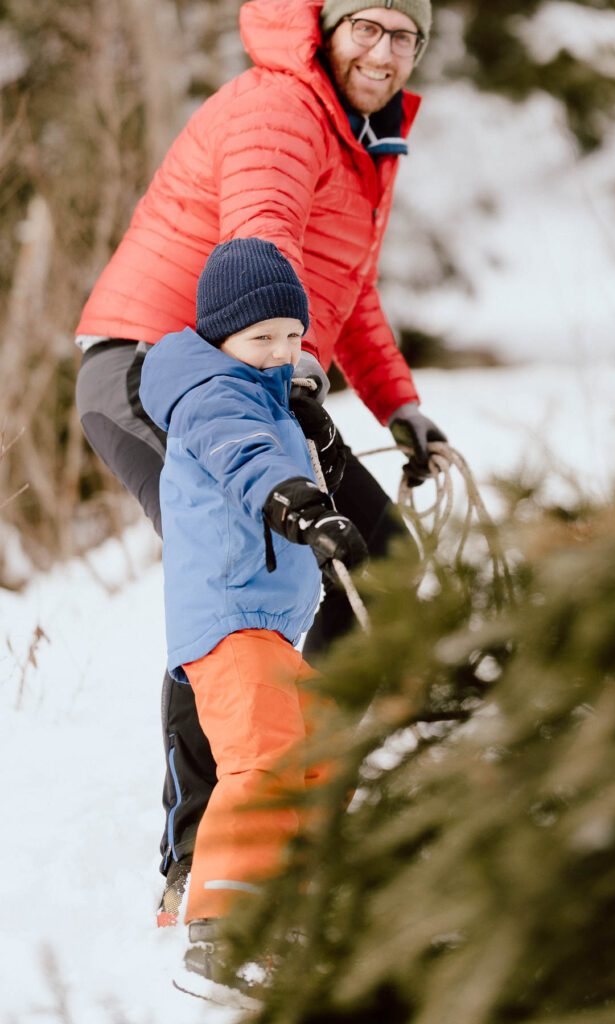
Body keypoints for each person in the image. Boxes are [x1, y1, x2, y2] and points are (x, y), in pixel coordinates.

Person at [74, 0, 448, 922]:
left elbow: (342, 294)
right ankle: (202, 857)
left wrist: (400, 407)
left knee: (379, 563)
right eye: (368, 26)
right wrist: (294, 366)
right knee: (228, 583)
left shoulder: (366, 143)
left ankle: (290, 804)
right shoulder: (283, 107)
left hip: (267, 369)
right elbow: (259, 232)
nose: (385, 51)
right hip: (163, 366)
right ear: (325, 25)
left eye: (406, 35)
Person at [139, 236, 367, 1002]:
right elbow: (244, 460)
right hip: (227, 615)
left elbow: (277, 439)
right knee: (263, 757)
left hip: (265, 620)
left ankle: (291, 910)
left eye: (292, 336)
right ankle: (223, 934)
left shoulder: (266, 393)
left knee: (321, 749)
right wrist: (299, 504)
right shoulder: (211, 394)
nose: (279, 351)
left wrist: (318, 442)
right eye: (260, 338)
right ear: (218, 335)